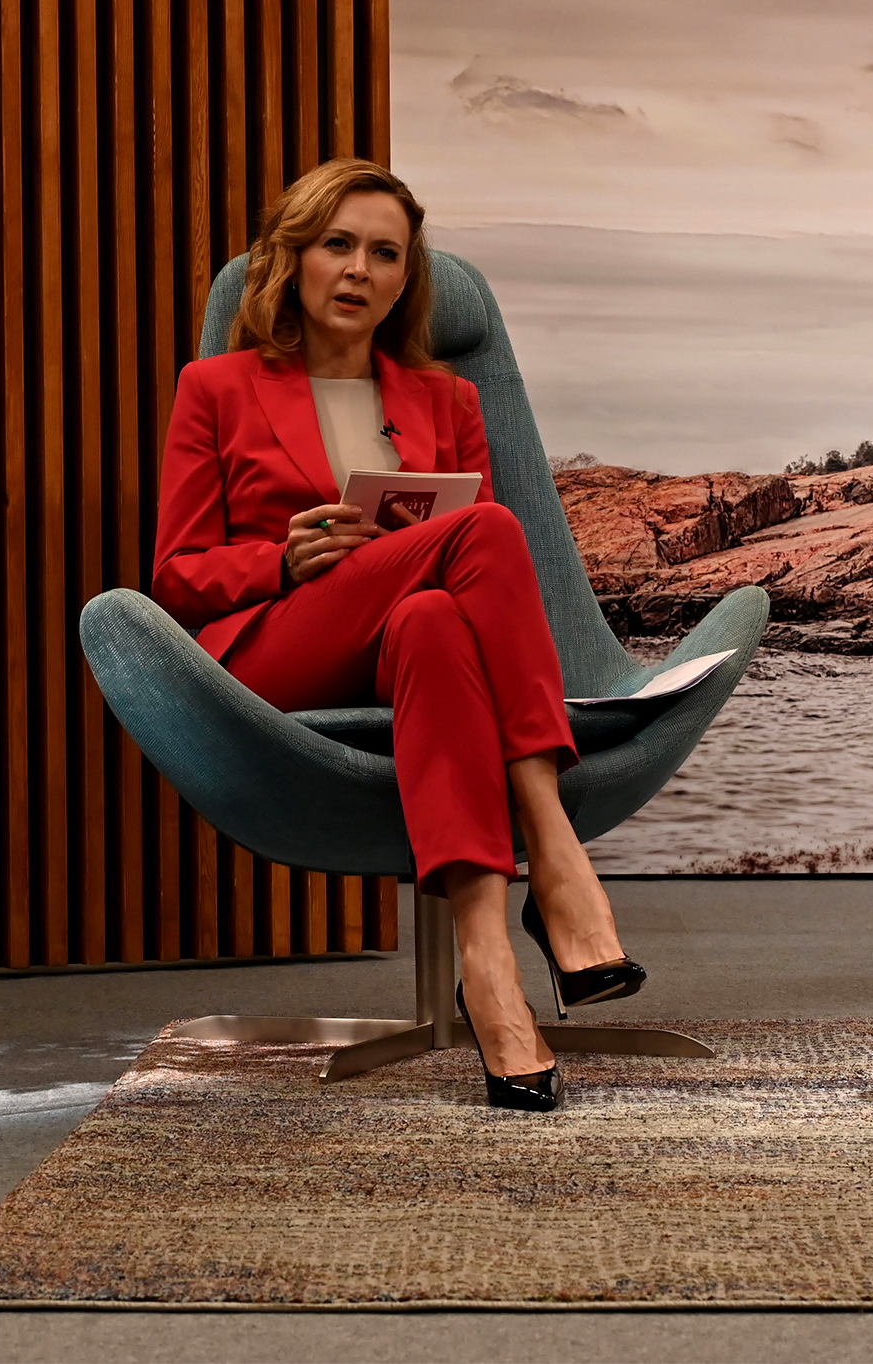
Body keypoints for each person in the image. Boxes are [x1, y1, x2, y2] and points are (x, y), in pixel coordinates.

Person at [152, 158, 643, 1110]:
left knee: (431, 616)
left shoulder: (444, 401)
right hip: (280, 651)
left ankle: (489, 964)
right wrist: (278, 561)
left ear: (404, 278)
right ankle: (551, 839)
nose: (360, 270)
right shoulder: (216, 387)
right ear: (293, 259)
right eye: (337, 244)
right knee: (487, 529)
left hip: (404, 654)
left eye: (385, 253)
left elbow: (479, 592)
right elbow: (173, 576)